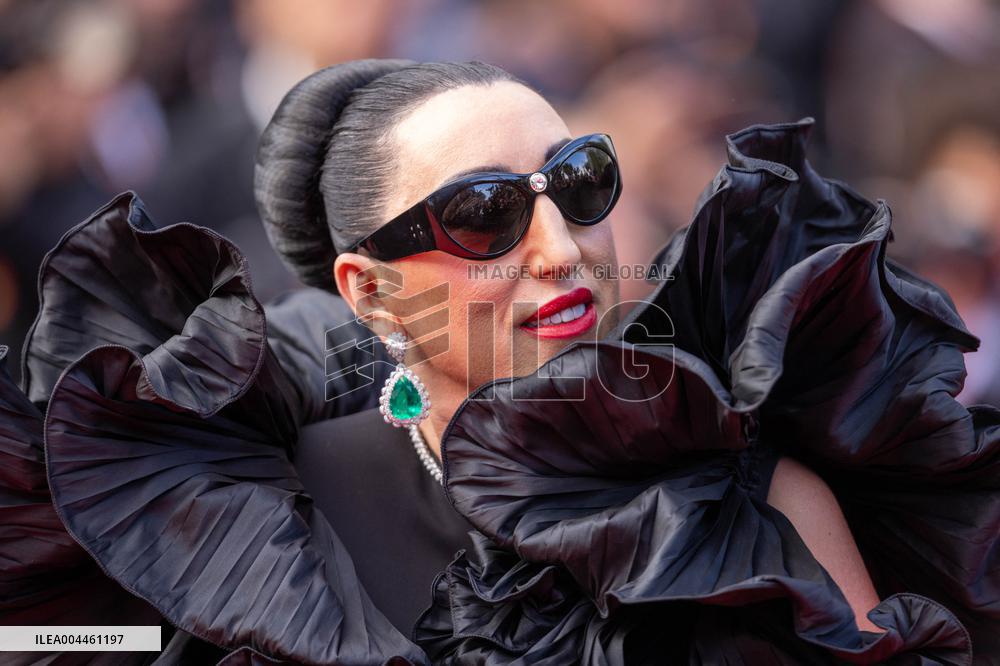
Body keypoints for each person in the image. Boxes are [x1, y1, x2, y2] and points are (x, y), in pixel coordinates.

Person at [1, 59, 997, 665]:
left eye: (579, 181)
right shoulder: (269, 524)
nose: (561, 247)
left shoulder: (759, 494)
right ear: (366, 288)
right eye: (483, 215)